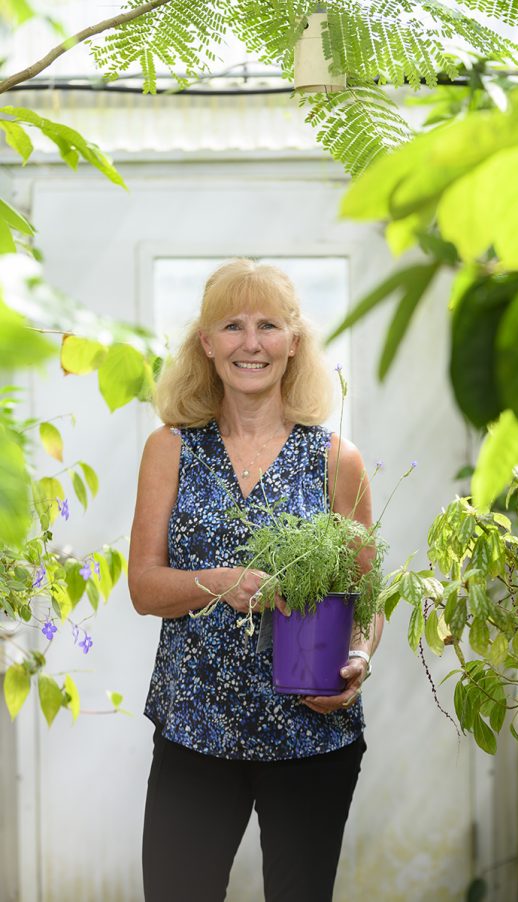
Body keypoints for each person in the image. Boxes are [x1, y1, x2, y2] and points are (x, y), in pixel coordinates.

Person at [129, 258, 384, 902]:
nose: (251, 343)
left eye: (269, 325)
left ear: (294, 342)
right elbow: (144, 587)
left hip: (309, 732)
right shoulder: (171, 449)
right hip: (195, 729)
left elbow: (368, 597)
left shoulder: (335, 459)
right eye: (232, 326)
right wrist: (220, 581)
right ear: (205, 343)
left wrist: (357, 657)